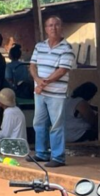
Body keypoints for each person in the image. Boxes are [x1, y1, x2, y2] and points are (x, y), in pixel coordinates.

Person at [29, 16, 76, 168]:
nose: (53, 28)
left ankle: (58, 157)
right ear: (46, 29)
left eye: (56, 25)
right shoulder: (39, 46)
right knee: (39, 122)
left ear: (61, 27)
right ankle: (41, 153)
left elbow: (62, 70)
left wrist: (43, 83)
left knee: (56, 125)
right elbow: (32, 65)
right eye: (50, 25)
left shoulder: (67, 48)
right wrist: (37, 79)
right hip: (40, 92)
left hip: (56, 93)